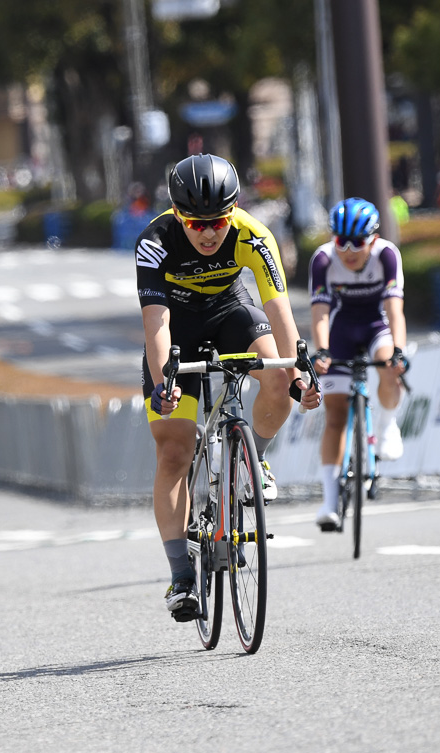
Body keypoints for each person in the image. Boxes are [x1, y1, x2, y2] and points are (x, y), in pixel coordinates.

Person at [137, 153, 320, 623]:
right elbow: (156, 324)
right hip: (177, 329)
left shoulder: (254, 236)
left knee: (277, 381)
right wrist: (163, 386)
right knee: (174, 449)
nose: (208, 233)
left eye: (217, 221)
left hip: (230, 313)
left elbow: (278, 310)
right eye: (196, 224)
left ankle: (249, 458)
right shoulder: (155, 241)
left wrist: (299, 374)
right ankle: (181, 574)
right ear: (178, 214)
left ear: (233, 211)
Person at [308, 198, 408, 532]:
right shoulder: (323, 259)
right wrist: (321, 350)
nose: (349, 251)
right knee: (335, 414)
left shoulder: (387, 255)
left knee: (387, 363)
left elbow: (395, 310)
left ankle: (387, 423)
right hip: (340, 328)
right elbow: (320, 312)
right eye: (341, 242)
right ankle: (329, 501)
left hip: (376, 325)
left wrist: (400, 352)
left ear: (374, 239)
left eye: (358, 243)